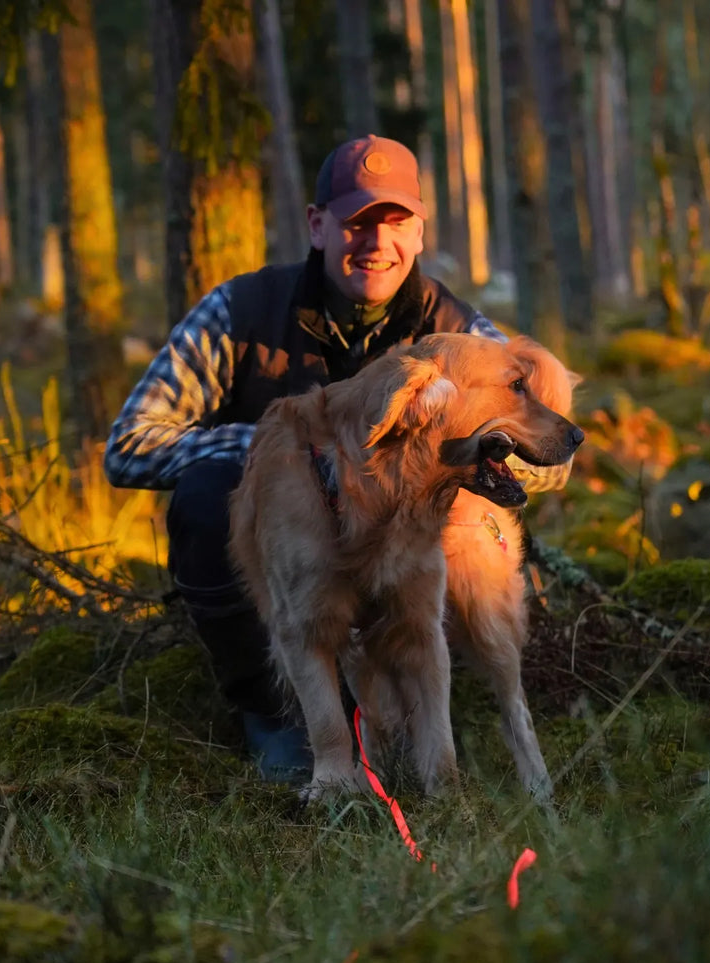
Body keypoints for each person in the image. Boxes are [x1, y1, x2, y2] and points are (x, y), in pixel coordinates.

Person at [104, 134, 566, 783]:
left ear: (419, 231)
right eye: (356, 222)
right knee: (207, 496)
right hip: (295, 561)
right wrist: (287, 451)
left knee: (458, 512)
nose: (376, 242)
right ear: (318, 226)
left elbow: (547, 454)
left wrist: (474, 447)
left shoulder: (455, 335)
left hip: (402, 566)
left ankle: (425, 711)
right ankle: (274, 715)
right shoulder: (241, 311)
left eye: (394, 221)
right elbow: (128, 448)